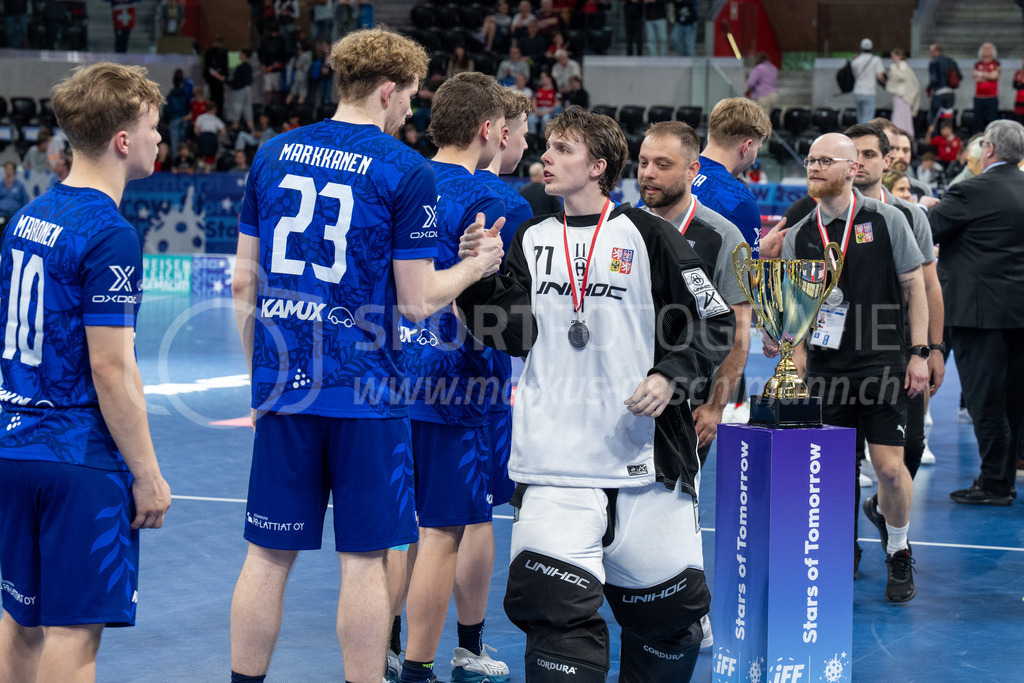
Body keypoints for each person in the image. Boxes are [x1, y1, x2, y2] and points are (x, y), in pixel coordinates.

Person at [228, 28, 505, 683]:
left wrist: (263, 377)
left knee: (267, 556)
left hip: (286, 387)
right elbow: (417, 300)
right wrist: (474, 266)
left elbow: (244, 282)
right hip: (369, 394)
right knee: (364, 559)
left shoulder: (271, 155)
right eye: (409, 94)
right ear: (387, 88)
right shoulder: (403, 169)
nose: (411, 107)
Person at [456, 105, 733, 681]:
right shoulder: (531, 237)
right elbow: (509, 333)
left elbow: (714, 319)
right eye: (547, 147)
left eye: (561, 149)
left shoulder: (648, 234)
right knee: (557, 634)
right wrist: (477, 279)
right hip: (554, 467)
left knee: (669, 629)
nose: (544, 158)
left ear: (598, 165)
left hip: (645, 468)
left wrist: (671, 375)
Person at [0, 61, 172, 681]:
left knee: (21, 621)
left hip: (15, 445)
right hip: (78, 459)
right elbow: (110, 368)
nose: (160, 138)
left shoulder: (28, 217)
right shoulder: (110, 235)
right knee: (74, 635)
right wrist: (148, 473)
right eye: (153, 126)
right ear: (123, 140)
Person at [780, 132, 929, 603]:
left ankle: (899, 551)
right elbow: (795, 306)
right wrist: (793, 350)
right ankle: (842, 547)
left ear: (851, 168)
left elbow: (915, 289)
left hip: (882, 361)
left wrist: (921, 352)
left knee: (888, 468)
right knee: (834, 470)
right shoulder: (800, 233)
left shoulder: (888, 219)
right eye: (810, 160)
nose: (814, 167)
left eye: (825, 160)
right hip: (826, 367)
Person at [398, 71, 511, 683]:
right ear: (489, 130)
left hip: (388, 376)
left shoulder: (400, 178)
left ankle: (385, 653)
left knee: (395, 532)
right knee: (444, 531)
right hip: (456, 384)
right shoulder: (488, 199)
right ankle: (424, 664)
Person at [844, 122, 946, 573]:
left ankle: (892, 532)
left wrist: (932, 349)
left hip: (900, 356)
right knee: (839, 462)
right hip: (838, 360)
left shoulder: (908, 215)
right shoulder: (815, 214)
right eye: (854, 154)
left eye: (870, 154)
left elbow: (929, 288)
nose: (860, 163)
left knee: (901, 459)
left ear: (887, 161)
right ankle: (844, 545)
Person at [638, 120, 749, 465]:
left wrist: (716, 406)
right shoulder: (623, 227)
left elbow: (739, 331)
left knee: (676, 511)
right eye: (643, 162)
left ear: (692, 170)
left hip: (690, 402)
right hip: (627, 394)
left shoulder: (724, 236)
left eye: (662, 164)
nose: (648, 174)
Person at [929, 119, 1024, 506]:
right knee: (1014, 401)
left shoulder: (970, 190)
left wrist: (929, 209)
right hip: (1018, 313)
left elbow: (928, 232)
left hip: (978, 313)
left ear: (988, 149)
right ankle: (1003, 476)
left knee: (985, 400)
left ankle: (995, 483)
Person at [691, 97, 772, 257]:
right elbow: (747, 277)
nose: (754, 158)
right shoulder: (738, 199)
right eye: (757, 148)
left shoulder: (672, 176)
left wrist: (758, 246)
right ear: (747, 146)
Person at [886, 47, 920, 139]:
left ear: (899, 56)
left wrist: (893, 68)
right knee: (902, 116)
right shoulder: (901, 65)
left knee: (901, 117)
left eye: (894, 56)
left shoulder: (901, 65)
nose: (892, 59)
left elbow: (901, 76)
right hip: (900, 95)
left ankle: (899, 134)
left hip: (902, 96)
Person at [926, 43, 961, 132]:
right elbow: (959, 76)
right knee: (947, 117)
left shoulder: (934, 62)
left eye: (931, 51)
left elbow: (934, 80)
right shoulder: (951, 61)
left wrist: (930, 88)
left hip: (939, 93)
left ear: (936, 51)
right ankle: (948, 139)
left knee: (935, 118)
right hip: (951, 93)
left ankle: (935, 139)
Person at [851, 38, 886, 124]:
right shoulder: (876, 60)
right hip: (869, 91)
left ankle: (859, 135)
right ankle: (865, 136)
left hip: (858, 91)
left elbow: (854, 74)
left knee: (860, 117)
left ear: (861, 48)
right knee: (868, 117)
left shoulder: (855, 61)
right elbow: (879, 76)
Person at [973, 42, 1001, 134]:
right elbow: (975, 77)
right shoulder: (977, 64)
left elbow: (995, 76)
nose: (987, 50)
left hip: (992, 97)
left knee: (992, 121)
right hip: (979, 97)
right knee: (977, 121)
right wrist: (989, 75)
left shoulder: (997, 64)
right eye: (985, 48)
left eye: (989, 48)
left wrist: (981, 74)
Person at [226, 50, 255, 127]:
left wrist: (226, 81)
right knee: (248, 111)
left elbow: (236, 82)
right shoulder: (249, 67)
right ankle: (252, 132)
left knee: (236, 112)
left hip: (239, 91)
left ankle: (234, 133)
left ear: (244, 55)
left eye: (241, 53)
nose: (239, 55)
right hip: (248, 90)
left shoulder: (241, 67)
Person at [0, 161, 29, 231]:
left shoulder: (19, 185)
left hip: (14, 215)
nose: (8, 171)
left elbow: (25, 201)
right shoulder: (0, 184)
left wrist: (23, 215)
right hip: (2, 215)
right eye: (6, 169)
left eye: (10, 169)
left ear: (14, 170)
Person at [204, 36, 229, 114]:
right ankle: (218, 114)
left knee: (213, 97)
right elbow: (225, 67)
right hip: (219, 79)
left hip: (212, 79)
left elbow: (207, 67)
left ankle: (212, 113)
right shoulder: (223, 52)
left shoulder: (209, 51)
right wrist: (223, 77)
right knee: (219, 98)